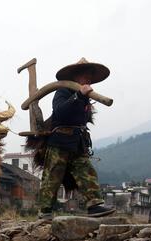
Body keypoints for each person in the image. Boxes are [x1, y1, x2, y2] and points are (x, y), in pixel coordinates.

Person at [38, 58, 116, 221]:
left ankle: (94, 205)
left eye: (90, 75)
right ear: (76, 76)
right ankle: (45, 210)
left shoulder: (87, 97)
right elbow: (60, 112)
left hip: (78, 143)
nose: (88, 77)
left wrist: (83, 97)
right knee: (53, 176)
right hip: (60, 142)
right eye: (85, 74)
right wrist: (79, 96)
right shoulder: (63, 91)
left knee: (86, 172)